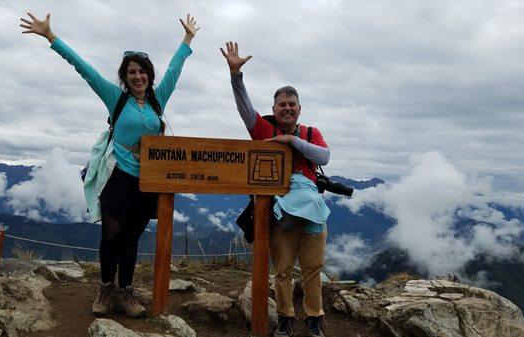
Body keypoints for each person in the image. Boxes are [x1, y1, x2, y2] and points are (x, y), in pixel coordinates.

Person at [20, 12, 199, 318]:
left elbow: (175, 68)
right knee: (111, 236)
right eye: (131, 72)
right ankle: (106, 288)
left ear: (149, 75)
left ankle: (126, 292)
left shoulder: (158, 99)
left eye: (142, 71)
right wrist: (51, 37)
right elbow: (84, 69)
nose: (137, 76)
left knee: (132, 238)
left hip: (147, 181)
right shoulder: (115, 97)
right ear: (125, 77)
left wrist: (187, 39)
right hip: (118, 177)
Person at [221, 41, 330, 337]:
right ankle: (285, 320)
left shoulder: (309, 133)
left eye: (291, 104)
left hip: (312, 211)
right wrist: (236, 75)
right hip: (281, 212)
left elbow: (324, 156)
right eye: (281, 104)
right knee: (282, 271)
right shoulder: (263, 130)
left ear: (299, 109)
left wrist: (292, 142)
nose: (287, 108)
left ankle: (314, 319)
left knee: (312, 269)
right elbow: (244, 109)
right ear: (274, 109)